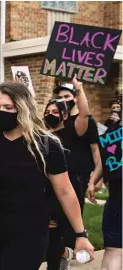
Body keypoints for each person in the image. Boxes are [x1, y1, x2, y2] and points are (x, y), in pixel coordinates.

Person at [0, 82, 94, 270]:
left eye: (9, 107)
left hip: (29, 231)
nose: (1, 112)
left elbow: (64, 191)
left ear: (24, 109)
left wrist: (81, 234)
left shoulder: (45, 146)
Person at [43, 76, 91, 270]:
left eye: (55, 111)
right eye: (48, 111)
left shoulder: (74, 130)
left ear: (63, 115)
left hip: (70, 187)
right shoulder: (43, 136)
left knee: (65, 231)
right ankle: (60, 255)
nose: (50, 114)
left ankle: (63, 253)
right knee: (51, 233)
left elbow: (84, 113)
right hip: (48, 190)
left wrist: (78, 89)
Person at [54, 83, 102, 210]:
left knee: (74, 211)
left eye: (66, 96)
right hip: (60, 172)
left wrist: (96, 178)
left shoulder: (87, 121)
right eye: (60, 97)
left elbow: (96, 151)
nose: (63, 100)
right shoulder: (58, 122)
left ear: (76, 98)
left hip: (79, 175)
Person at [87, 104, 122, 270]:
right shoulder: (113, 131)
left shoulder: (113, 132)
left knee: (114, 250)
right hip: (117, 196)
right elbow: (105, 157)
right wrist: (93, 180)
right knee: (113, 248)